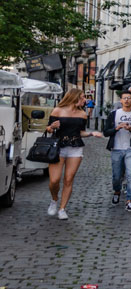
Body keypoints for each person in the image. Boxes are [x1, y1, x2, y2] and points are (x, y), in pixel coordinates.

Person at [44, 88, 103, 220]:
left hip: (75, 148)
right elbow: (48, 129)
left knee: (69, 179)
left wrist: (92, 133)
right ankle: (54, 200)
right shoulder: (58, 110)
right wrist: (52, 127)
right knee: (54, 180)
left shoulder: (82, 114)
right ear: (74, 97)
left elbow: (81, 132)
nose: (85, 100)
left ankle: (62, 208)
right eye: (82, 97)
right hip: (58, 147)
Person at [103, 90, 131, 213]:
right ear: (121, 101)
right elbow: (106, 132)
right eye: (124, 98)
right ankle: (117, 191)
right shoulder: (113, 114)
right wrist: (117, 128)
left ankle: (129, 201)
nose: (127, 100)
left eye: (129, 98)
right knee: (116, 176)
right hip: (116, 148)